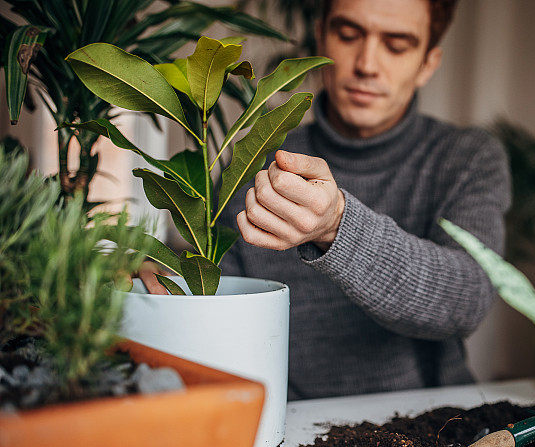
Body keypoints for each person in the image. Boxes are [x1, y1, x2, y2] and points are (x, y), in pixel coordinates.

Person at [140, 0, 511, 400]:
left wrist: (338, 224)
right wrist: (161, 270)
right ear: (321, 37)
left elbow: (467, 298)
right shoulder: (259, 157)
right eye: (349, 35)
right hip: (292, 425)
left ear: (428, 63)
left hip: (433, 425)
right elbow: (218, 287)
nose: (367, 63)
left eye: (397, 45)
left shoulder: (467, 158)